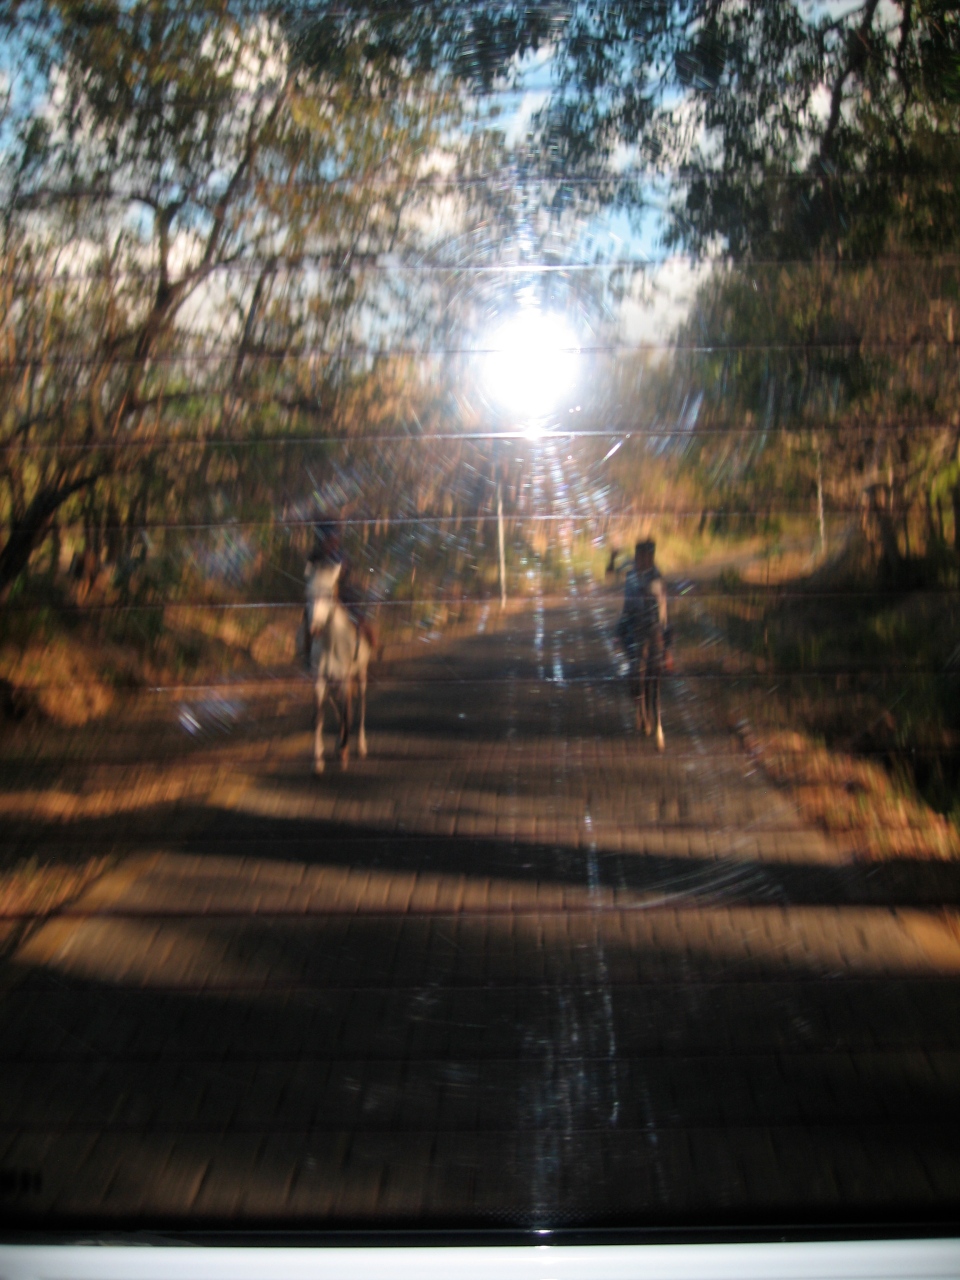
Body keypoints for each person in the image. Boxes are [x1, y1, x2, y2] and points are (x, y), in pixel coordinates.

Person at [608, 538, 671, 742]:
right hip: (633, 627)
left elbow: (662, 610)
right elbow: (610, 574)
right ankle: (642, 710)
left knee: (656, 677)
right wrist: (612, 557)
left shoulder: (656, 577)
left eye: (645, 556)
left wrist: (666, 640)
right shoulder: (631, 573)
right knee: (635, 673)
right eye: (639, 556)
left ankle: (657, 721)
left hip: (652, 629)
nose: (642, 560)